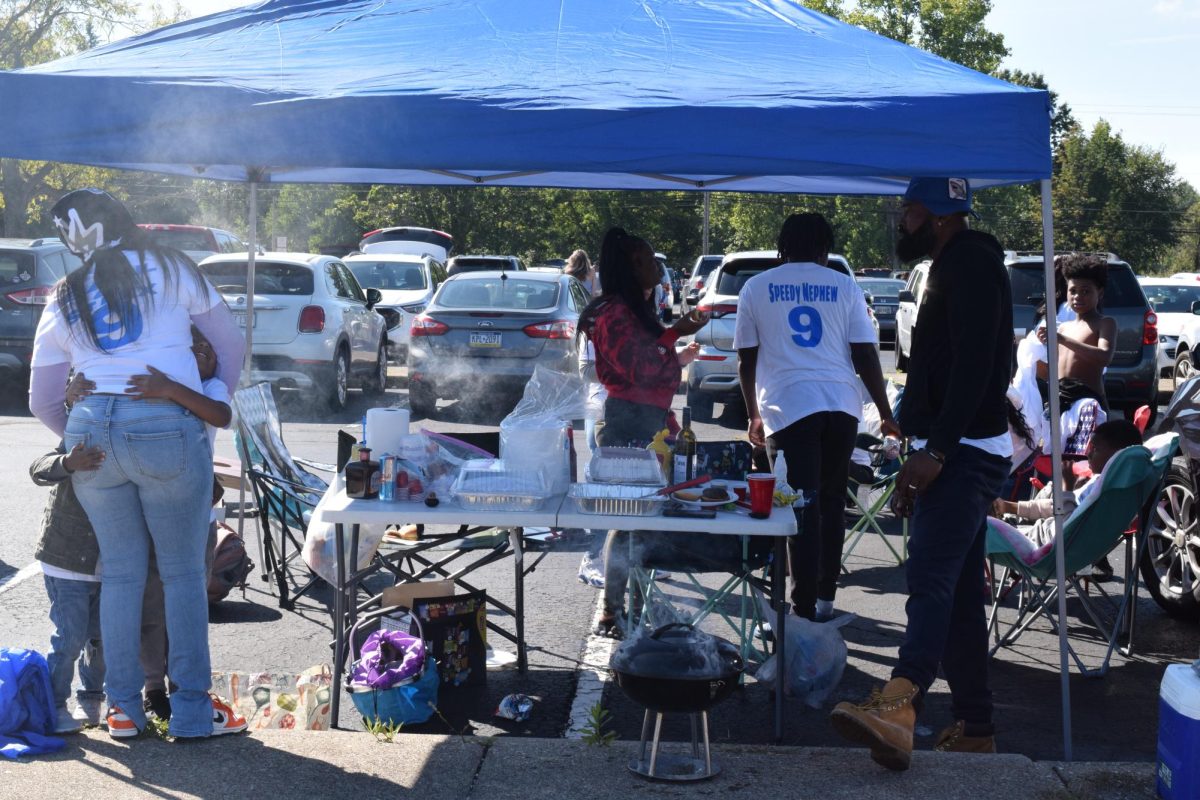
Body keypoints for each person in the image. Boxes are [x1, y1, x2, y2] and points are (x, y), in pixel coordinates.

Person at [28, 188, 246, 740]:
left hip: (91, 429)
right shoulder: (173, 268)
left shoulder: (66, 291)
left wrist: (83, 437)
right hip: (165, 420)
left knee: (121, 574)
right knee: (181, 574)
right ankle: (193, 712)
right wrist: (207, 402)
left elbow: (42, 399)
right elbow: (229, 342)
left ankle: (122, 712)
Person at [830, 177, 1013, 769]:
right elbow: (939, 366)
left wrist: (936, 451)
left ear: (935, 214)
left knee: (929, 580)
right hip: (954, 447)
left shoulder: (971, 264)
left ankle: (900, 703)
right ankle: (977, 726)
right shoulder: (953, 261)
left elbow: (976, 364)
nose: (901, 221)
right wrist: (916, 446)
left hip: (965, 452)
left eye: (907, 211)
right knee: (957, 595)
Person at [734, 212, 900, 621]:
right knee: (829, 504)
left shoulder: (756, 287)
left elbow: (745, 360)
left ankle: (802, 608)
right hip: (841, 408)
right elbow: (865, 354)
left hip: (789, 408)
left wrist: (753, 414)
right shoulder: (845, 286)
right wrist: (885, 411)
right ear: (824, 248)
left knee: (797, 508)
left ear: (783, 246)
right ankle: (826, 598)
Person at [69, 327, 234, 720]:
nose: (200, 352)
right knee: (149, 602)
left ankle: (180, 691)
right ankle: (154, 690)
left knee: (182, 595)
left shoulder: (207, 387)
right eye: (191, 346)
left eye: (207, 347)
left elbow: (221, 415)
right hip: (153, 502)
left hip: (194, 513)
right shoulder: (150, 384)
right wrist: (70, 393)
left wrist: (171, 389)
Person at [578, 227, 706, 636]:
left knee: (642, 521)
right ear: (632, 267)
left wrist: (672, 335)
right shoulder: (614, 312)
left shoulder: (635, 308)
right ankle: (613, 611)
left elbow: (652, 359)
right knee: (629, 520)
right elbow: (642, 368)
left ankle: (627, 608)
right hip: (627, 423)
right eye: (650, 260)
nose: (657, 267)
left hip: (648, 420)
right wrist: (676, 335)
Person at [31, 439, 107, 734]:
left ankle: (91, 699)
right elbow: (38, 468)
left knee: (101, 639)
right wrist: (67, 463)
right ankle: (55, 704)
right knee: (70, 638)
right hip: (66, 560)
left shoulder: (133, 435)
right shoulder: (83, 433)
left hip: (110, 563)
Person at [992, 419, 1143, 548]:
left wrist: (1067, 489)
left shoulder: (1107, 492)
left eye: (1095, 449)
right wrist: (1009, 506)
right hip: (1051, 534)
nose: (1088, 453)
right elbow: (1056, 508)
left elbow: (1066, 530)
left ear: (1117, 455)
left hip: (1046, 544)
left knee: (984, 528)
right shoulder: (1109, 484)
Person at [1037, 254, 1116, 492]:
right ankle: (1056, 508)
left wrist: (1061, 339)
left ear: (1099, 293)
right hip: (1059, 402)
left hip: (1087, 404)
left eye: (1085, 291)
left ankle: (1075, 508)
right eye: (1073, 291)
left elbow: (1104, 356)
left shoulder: (1105, 323)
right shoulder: (1064, 327)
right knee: (1056, 464)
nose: (1077, 297)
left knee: (1082, 467)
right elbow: (1052, 370)